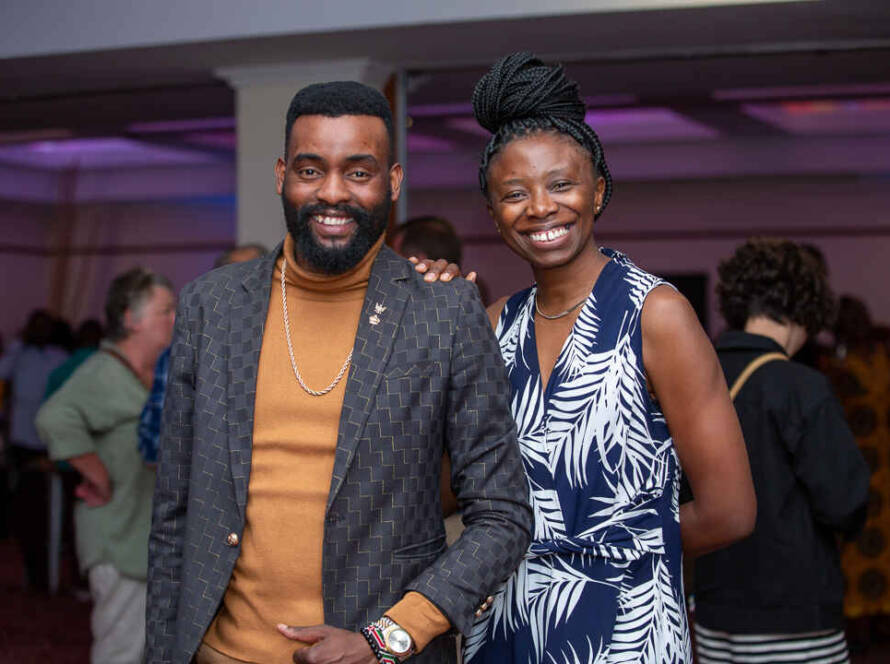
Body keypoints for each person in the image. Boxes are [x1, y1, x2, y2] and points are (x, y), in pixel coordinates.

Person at [146, 80, 532, 664]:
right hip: (218, 652)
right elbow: (173, 513)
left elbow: (503, 514)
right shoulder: (211, 305)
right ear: (282, 175)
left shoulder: (444, 311)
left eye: (358, 172)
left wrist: (391, 637)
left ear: (392, 182)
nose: (332, 192)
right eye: (310, 170)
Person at [455, 53, 756, 664]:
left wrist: (615, 555)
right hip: (506, 629)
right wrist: (427, 326)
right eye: (514, 194)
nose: (540, 207)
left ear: (597, 191)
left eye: (561, 185)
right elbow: (451, 488)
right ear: (493, 213)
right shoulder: (493, 325)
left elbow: (731, 512)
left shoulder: (655, 314)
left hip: (624, 632)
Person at [693, 239, 869, 663]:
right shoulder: (801, 388)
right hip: (792, 613)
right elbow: (845, 502)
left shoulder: (697, 378)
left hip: (713, 609)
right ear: (805, 308)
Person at [36, 267, 176, 663]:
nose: (175, 319)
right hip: (116, 537)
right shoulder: (105, 371)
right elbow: (53, 417)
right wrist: (95, 474)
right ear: (131, 319)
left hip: (141, 537)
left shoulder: (151, 373)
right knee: (121, 652)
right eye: (165, 311)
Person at [138, 245, 267, 465]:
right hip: (207, 480)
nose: (247, 290)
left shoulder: (293, 348)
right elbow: (155, 444)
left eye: (256, 279)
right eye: (237, 281)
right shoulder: (183, 353)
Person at [822, 295, 890, 655]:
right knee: (860, 546)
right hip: (863, 469)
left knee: (879, 545)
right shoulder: (835, 364)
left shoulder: (877, 355)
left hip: (879, 470)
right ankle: (862, 617)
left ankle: (876, 615)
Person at [0, 309, 68, 591]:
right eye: (36, 326)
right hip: (22, 442)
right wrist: (18, 344)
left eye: (45, 326)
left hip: (50, 442)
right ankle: (33, 573)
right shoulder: (19, 355)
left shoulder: (58, 356)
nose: (41, 331)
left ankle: (48, 573)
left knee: (49, 510)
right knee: (25, 509)